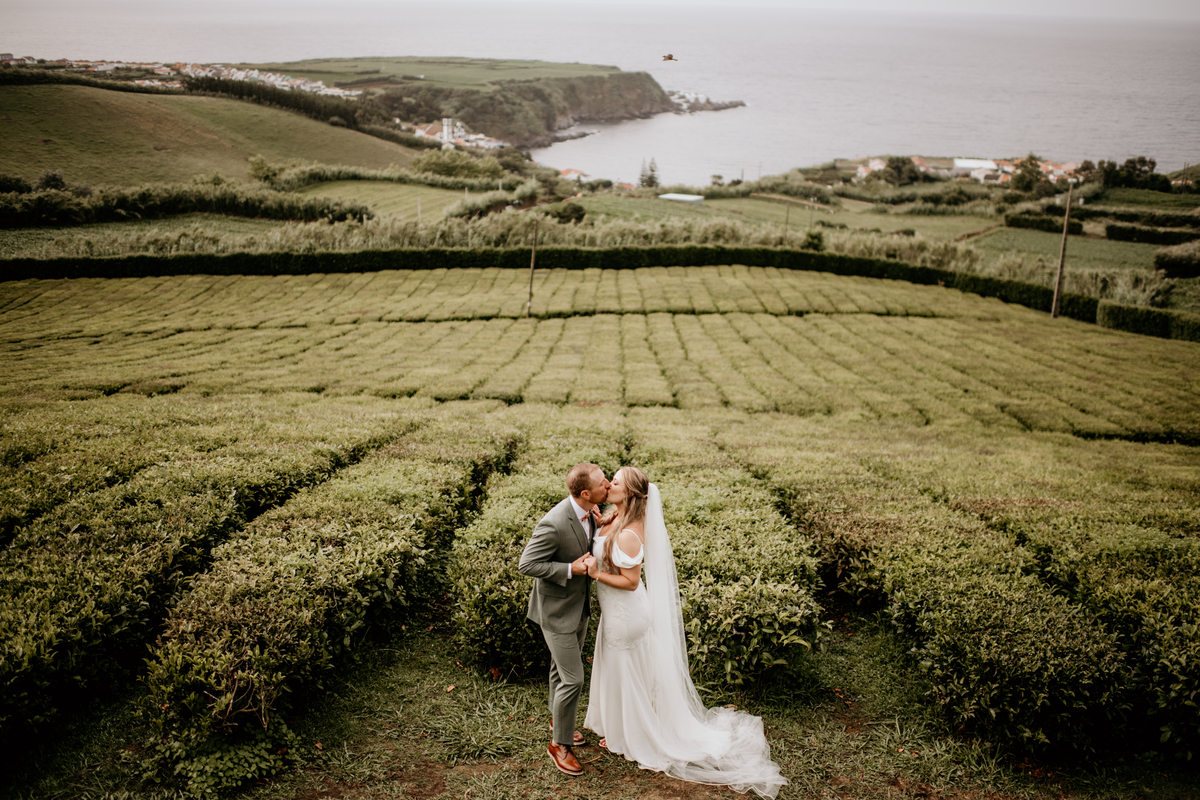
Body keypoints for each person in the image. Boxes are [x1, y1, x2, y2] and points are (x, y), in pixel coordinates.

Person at [582, 466, 787, 799]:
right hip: (617, 612)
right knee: (627, 671)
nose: (608, 484)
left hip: (627, 612)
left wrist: (596, 575)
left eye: (615, 482)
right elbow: (604, 531)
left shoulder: (629, 534)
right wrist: (597, 518)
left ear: (630, 494)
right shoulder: (613, 518)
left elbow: (631, 582)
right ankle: (620, 728)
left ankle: (633, 734)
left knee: (626, 673)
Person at [518, 462, 610, 777]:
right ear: (585, 492)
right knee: (574, 678)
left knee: (561, 672)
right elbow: (527, 564)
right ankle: (559, 745)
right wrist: (571, 569)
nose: (608, 485)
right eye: (602, 482)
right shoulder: (554, 522)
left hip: (578, 606)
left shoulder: (592, 511)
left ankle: (561, 722)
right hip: (555, 612)